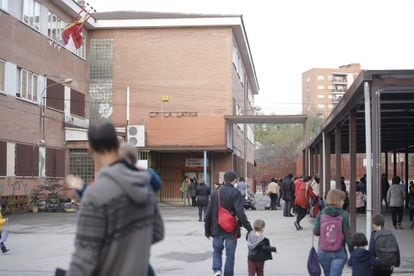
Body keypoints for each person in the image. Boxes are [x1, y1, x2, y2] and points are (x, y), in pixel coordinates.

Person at [66, 122, 164, 276]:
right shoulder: (145, 184)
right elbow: (158, 232)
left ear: (90, 148)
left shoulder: (95, 194)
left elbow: (83, 259)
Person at [204, 171, 253, 276]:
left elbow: (208, 213)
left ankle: (217, 271)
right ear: (234, 180)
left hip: (216, 228)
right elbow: (240, 213)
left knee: (217, 251)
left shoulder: (215, 193)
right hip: (230, 229)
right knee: (230, 255)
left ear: (224, 180)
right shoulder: (236, 193)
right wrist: (249, 228)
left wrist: (207, 230)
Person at [313, 189, 353, 276]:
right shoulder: (344, 214)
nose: (343, 202)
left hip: (323, 252)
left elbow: (316, 231)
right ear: (338, 201)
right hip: (339, 252)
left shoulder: (321, 214)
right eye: (342, 200)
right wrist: (352, 251)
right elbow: (348, 236)